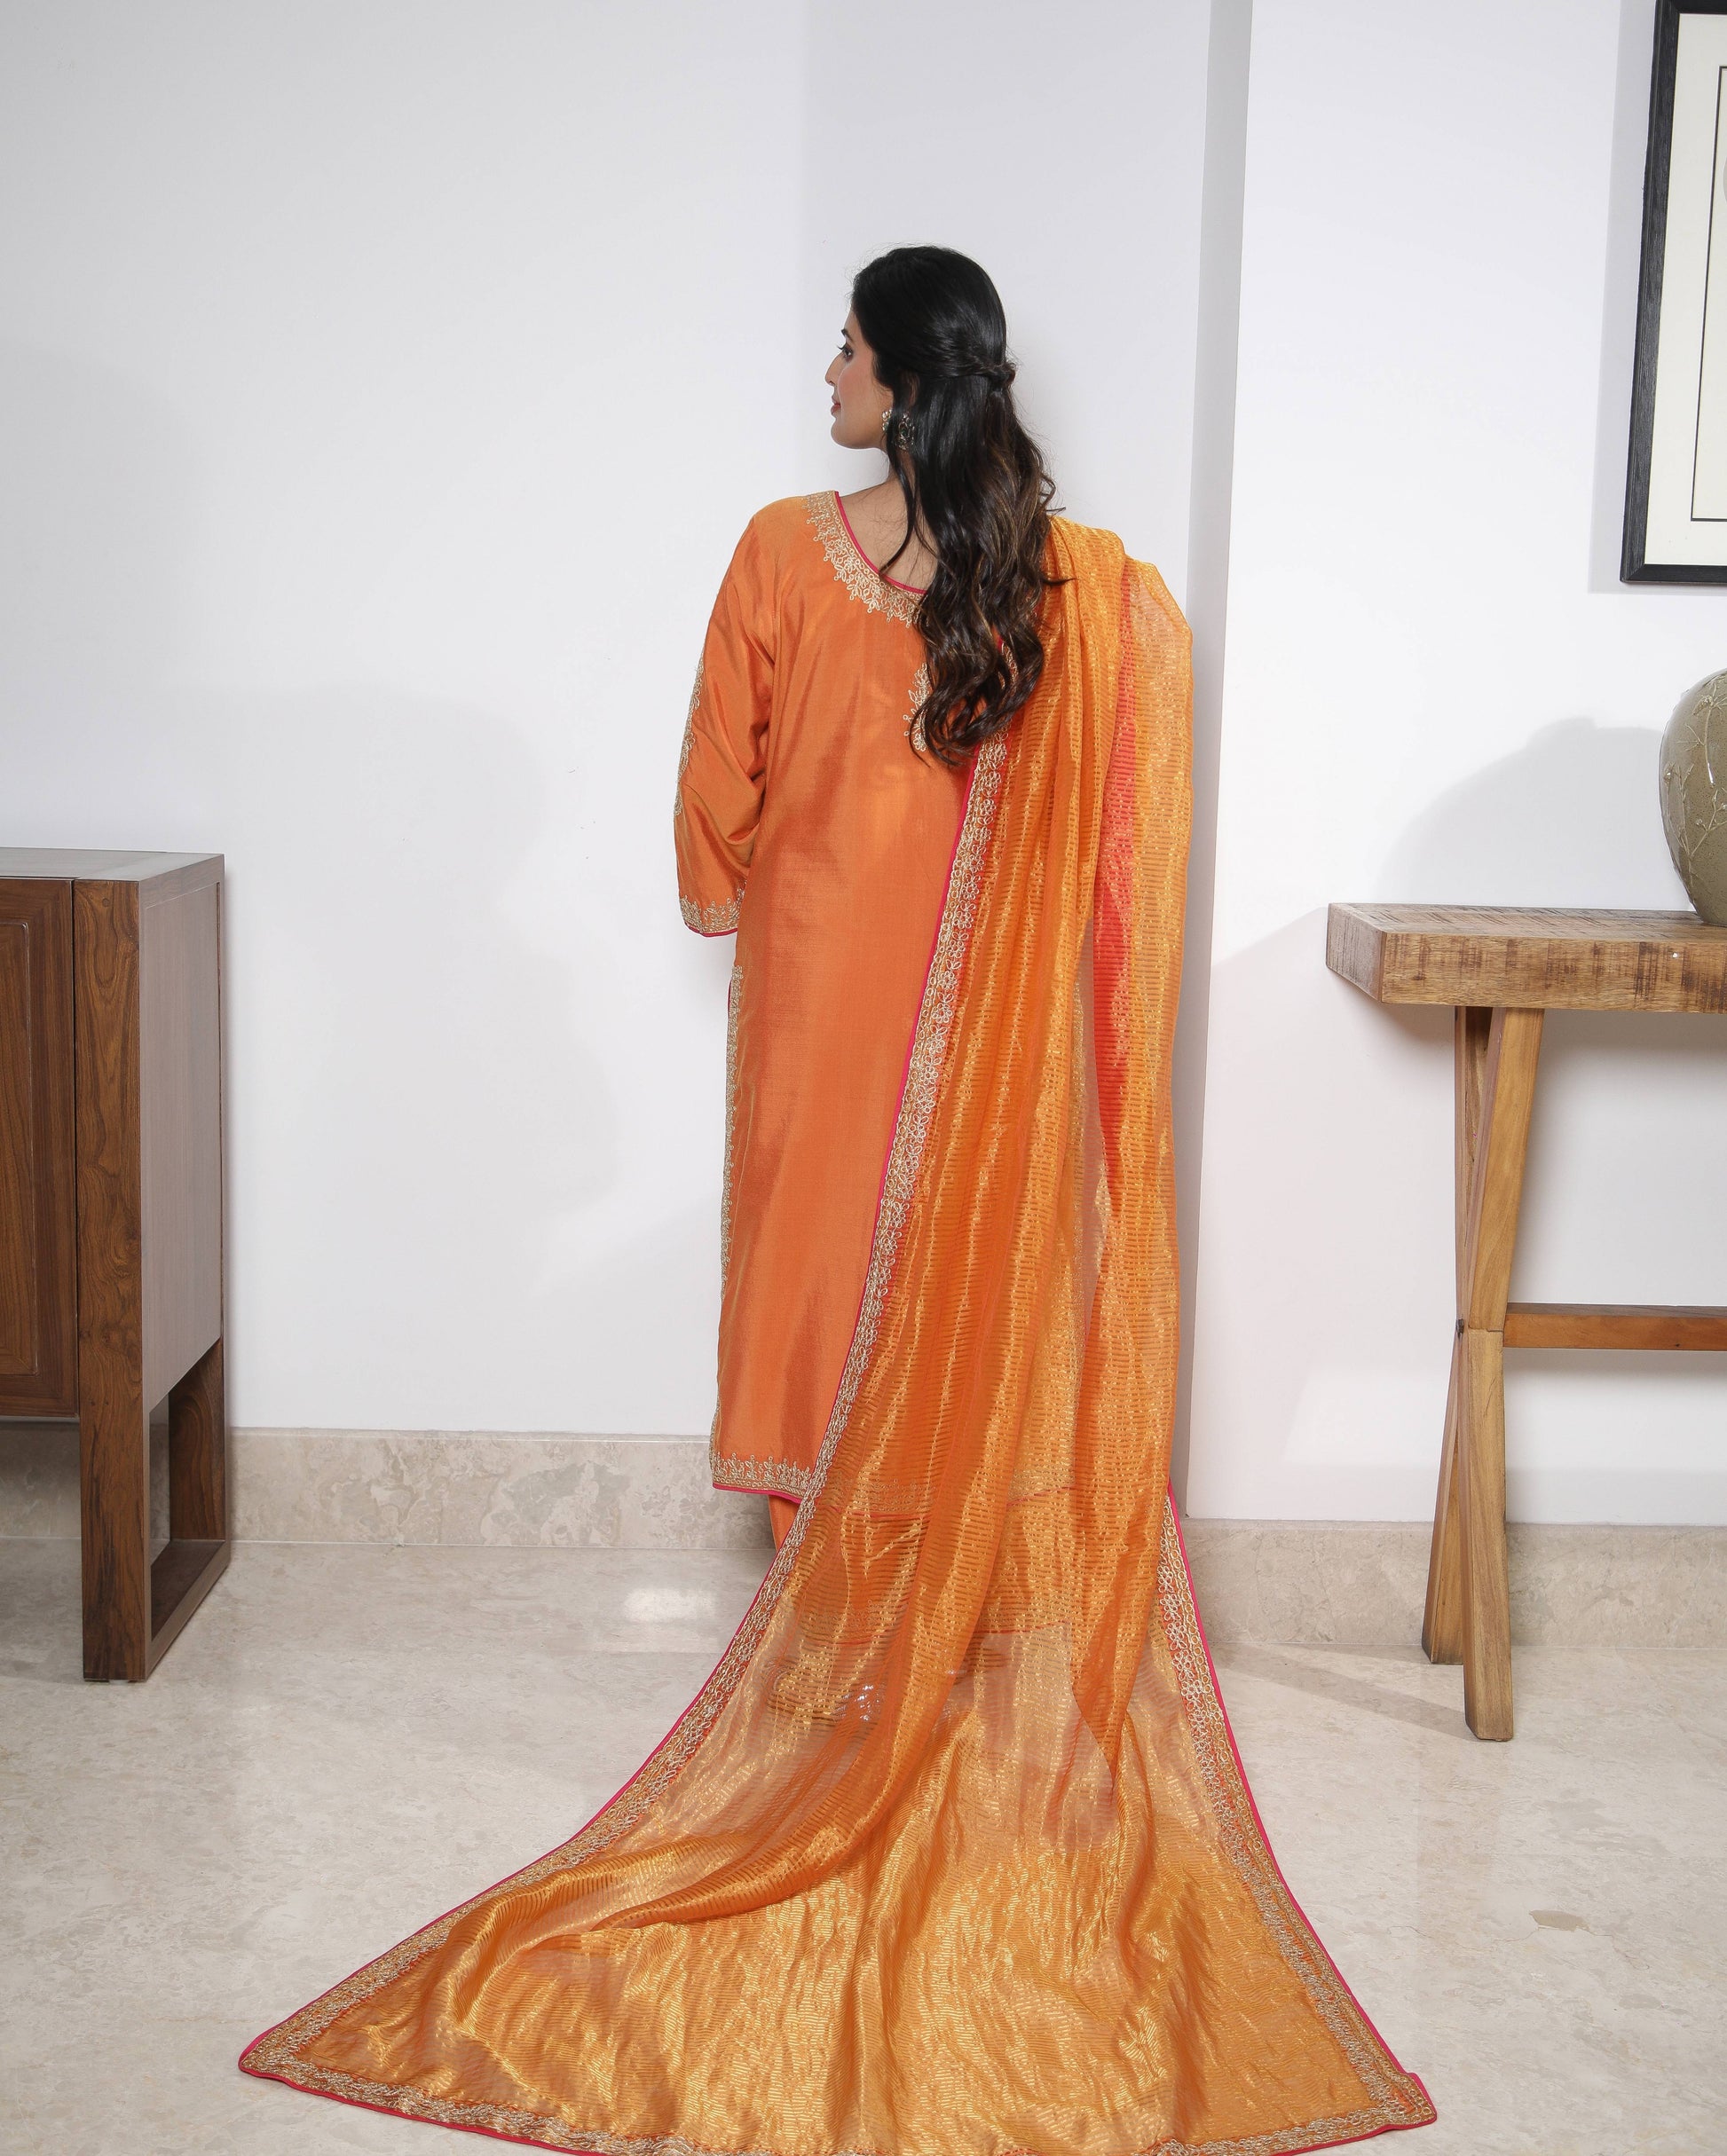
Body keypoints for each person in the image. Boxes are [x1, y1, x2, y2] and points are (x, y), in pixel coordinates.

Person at [241, 248, 1436, 2154]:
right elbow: (1110, 799)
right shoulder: (1067, 582)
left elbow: (717, 771)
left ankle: (840, 1647)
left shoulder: (791, 553)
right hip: (984, 1023)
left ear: (902, 376)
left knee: (816, 1274)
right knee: (951, 1273)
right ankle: (924, 1639)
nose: (825, 372)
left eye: (848, 347)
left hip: (818, 977)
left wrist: (720, 874)